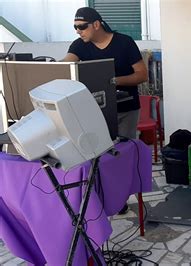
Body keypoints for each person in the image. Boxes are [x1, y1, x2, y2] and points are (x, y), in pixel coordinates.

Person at [63, 7, 148, 214]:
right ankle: (101, 196)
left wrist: (111, 81)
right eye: (75, 27)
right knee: (97, 156)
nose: (78, 31)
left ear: (96, 24)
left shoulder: (124, 43)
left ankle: (120, 199)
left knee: (121, 156)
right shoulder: (80, 45)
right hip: (95, 111)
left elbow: (142, 75)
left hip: (125, 109)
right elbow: (65, 68)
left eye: (82, 27)